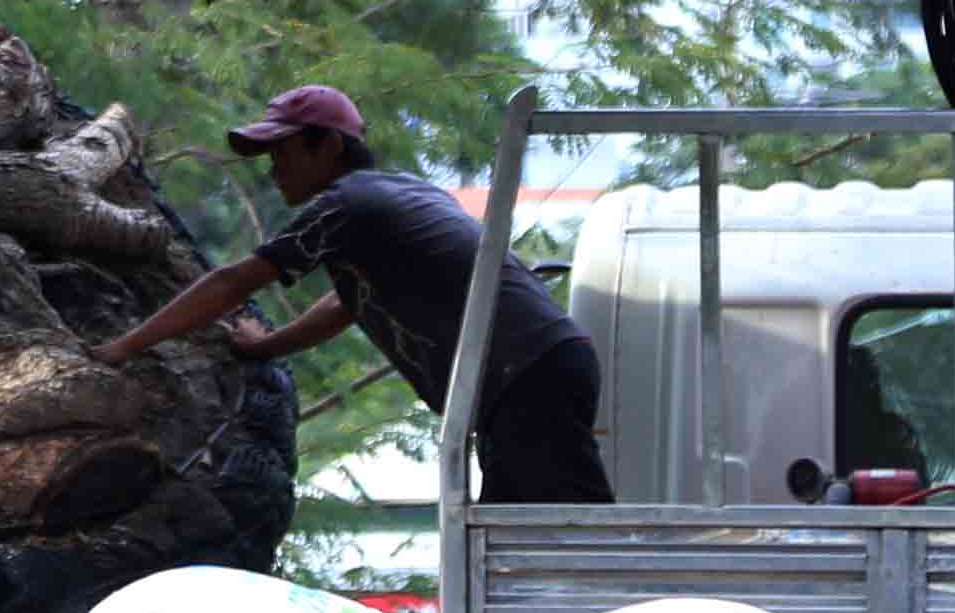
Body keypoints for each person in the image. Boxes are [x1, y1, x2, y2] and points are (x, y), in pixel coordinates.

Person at [97, 85, 612, 503]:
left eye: (284, 151)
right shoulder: (395, 194)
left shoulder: (349, 203)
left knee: (568, 533)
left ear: (330, 147)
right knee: (508, 542)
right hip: (530, 374)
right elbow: (346, 304)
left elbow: (234, 281)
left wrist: (121, 349)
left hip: (527, 374)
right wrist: (265, 346)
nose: (274, 168)